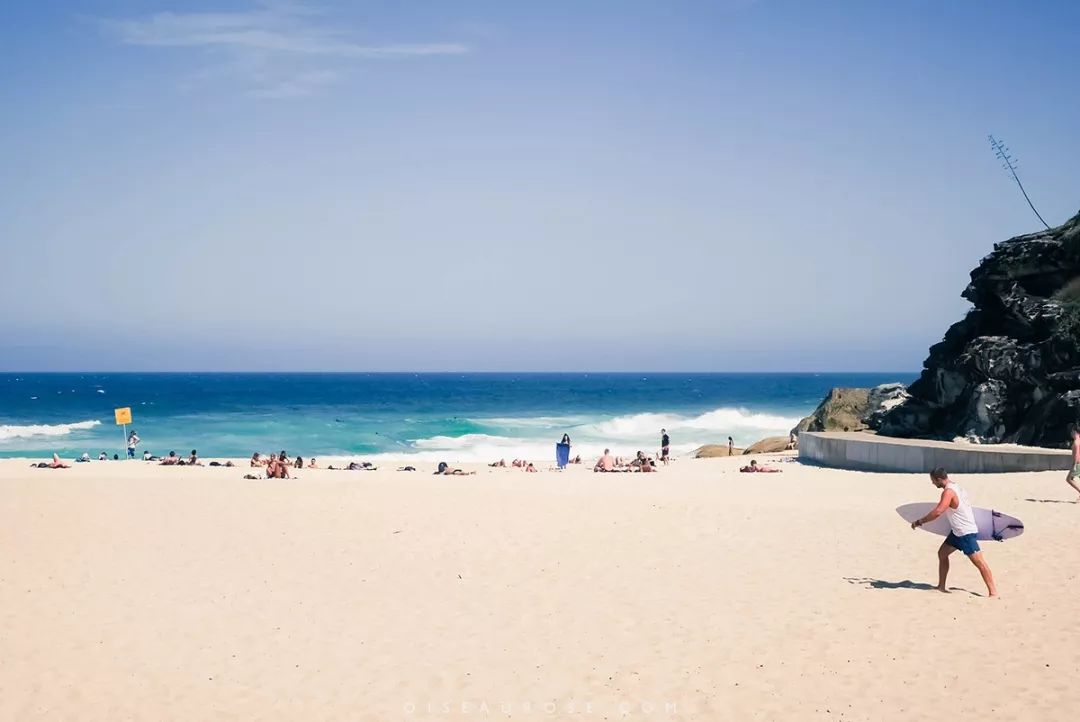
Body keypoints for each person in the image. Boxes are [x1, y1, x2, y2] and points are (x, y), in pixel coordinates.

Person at [910, 468, 997, 597]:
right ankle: (941, 586)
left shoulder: (948, 492)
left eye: (933, 481)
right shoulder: (957, 487)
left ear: (939, 479)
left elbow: (938, 511)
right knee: (942, 553)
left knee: (979, 563)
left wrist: (920, 521)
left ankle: (993, 592)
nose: (933, 484)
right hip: (957, 532)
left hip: (965, 533)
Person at [1066, 426, 1080, 501]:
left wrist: (1074, 465)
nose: (1071, 433)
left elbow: (1077, 454)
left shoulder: (1076, 442)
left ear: (1075, 432)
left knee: (1069, 479)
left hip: (1078, 463)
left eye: (1072, 432)